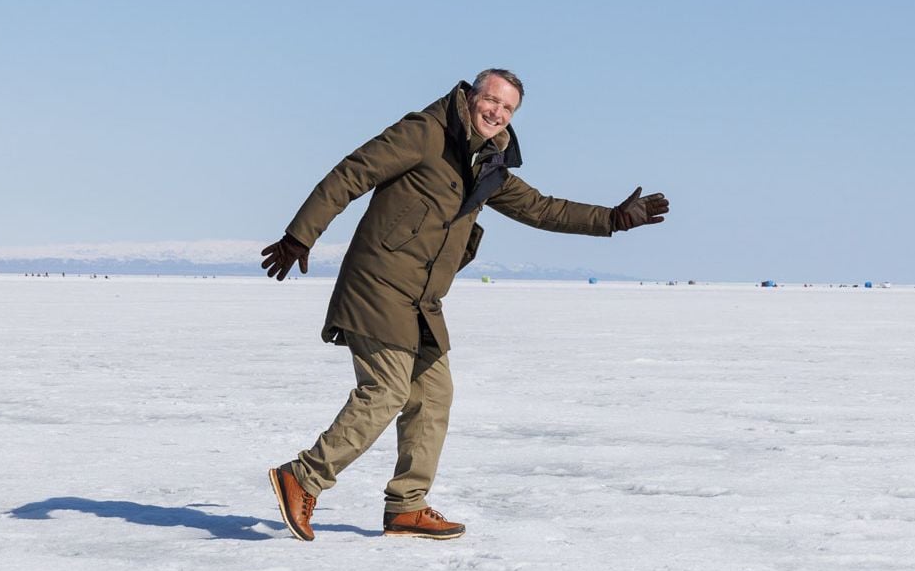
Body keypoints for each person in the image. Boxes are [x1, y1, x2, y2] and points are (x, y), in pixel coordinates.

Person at [261, 68, 668, 541]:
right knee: (388, 390)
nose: (496, 112)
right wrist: (300, 234)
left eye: (508, 107)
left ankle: (406, 507)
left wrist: (614, 219)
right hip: (379, 283)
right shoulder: (425, 133)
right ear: (471, 96)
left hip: (422, 300)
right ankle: (303, 477)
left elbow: (542, 208)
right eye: (491, 100)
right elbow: (353, 171)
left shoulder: (488, 166)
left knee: (433, 396)